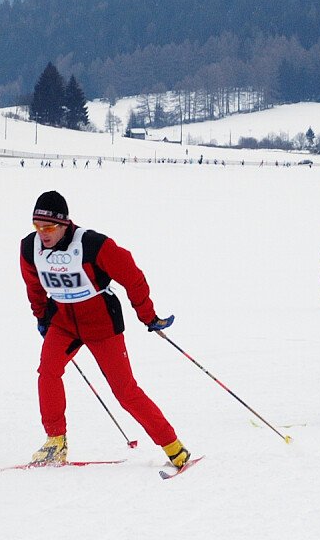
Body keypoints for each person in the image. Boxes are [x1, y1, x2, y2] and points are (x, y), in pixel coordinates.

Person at [20, 191, 189, 469]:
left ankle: (173, 446)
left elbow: (132, 277)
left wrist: (147, 316)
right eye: (37, 226)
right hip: (63, 324)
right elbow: (34, 286)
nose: (42, 234)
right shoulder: (30, 248)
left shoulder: (93, 245)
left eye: (48, 228)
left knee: (125, 391)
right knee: (47, 372)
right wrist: (42, 317)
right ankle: (55, 442)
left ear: (64, 224)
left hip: (102, 325)